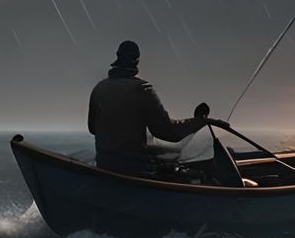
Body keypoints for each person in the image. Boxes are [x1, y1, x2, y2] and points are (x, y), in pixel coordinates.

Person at [87, 39, 216, 175]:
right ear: (137, 61)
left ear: (117, 56)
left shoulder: (99, 89)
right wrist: (200, 122)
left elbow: (92, 128)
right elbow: (167, 132)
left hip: (105, 166)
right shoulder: (142, 90)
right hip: (135, 171)